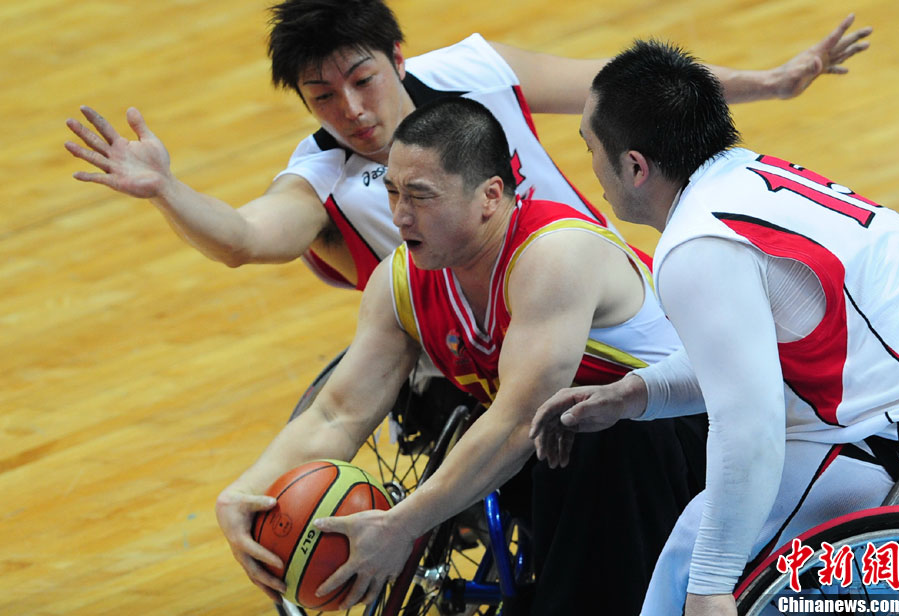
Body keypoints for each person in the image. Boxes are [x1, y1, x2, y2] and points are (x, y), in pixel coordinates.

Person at [214, 97, 702, 614]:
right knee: (531, 432)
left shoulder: (555, 254)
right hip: (575, 469)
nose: (399, 216)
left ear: (490, 195)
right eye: (392, 191)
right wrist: (246, 492)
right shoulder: (401, 282)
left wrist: (400, 526)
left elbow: (517, 422)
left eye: (420, 197)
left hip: (695, 435)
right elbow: (338, 413)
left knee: (586, 426)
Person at [63, 0, 873, 292]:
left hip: (608, 286)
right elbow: (244, 239)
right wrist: (167, 190)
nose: (350, 110)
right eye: (322, 95)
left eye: (360, 79)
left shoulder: (477, 70)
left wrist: (770, 82)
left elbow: (621, 84)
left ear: (397, 58)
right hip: (479, 357)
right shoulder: (321, 175)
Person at [529, 39, 899, 616]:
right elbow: (747, 359)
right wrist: (634, 393)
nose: (591, 167)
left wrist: (711, 584)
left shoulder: (697, 244)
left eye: (589, 148)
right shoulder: (748, 177)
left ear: (635, 166)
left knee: (693, 559)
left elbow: (750, 426)